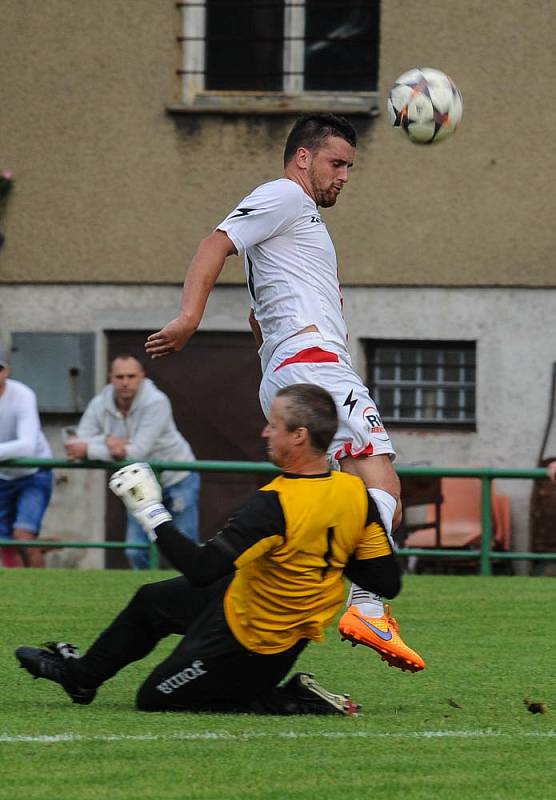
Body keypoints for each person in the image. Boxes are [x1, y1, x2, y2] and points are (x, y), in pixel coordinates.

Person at [144, 113, 424, 671]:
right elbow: (213, 244)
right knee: (380, 477)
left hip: (290, 364)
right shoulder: (284, 197)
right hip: (315, 362)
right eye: (335, 163)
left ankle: (258, 587)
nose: (344, 175)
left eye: (349, 166)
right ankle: (366, 605)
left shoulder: (295, 224)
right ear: (302, 158)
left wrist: (269, 344)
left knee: (323, 499)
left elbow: (260, 310)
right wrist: (188, 318)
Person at [16, 384, 402, 715]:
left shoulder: (274, 504)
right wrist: (328, 555)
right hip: (248, 600)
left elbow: (201, 568)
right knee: (151, 601)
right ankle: (80, 679)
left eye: (274, 425)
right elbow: (385, 579)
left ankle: (289, 698)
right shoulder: (354, 492)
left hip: (253, 644)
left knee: (154, 697)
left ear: (299, 436)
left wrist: (149, 509)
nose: (265, 432)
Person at [65, 353, 199, 569]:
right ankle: (151, 597)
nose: (125, 382)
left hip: (177, 478)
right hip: (138, 481)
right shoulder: (101, 403)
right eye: (119, 377)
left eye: (131, 376)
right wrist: (108, 440)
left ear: (142, 377)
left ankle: (191, 596)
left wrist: (91, 448)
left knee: (185, 546)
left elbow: (137, 451)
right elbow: (78, 440)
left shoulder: (156, 401)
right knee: (136, 551)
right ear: (110, 378)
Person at [0, 346, 53, 568]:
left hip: (34, 473)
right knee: (5, 542)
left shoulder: (23, 395)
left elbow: (28, 446)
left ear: (6, 372)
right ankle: (14, 592)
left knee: (23, 535)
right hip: (3, 475)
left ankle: (42, 588)